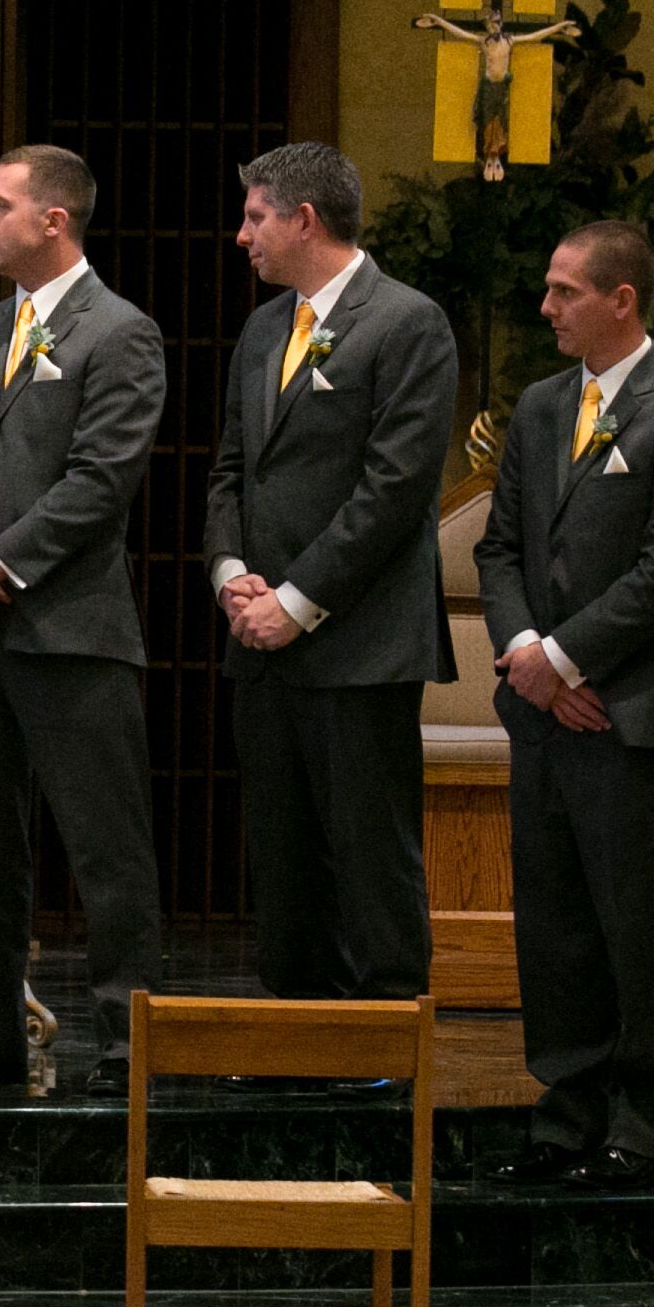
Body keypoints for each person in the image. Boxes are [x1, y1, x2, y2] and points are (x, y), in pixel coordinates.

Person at [0, 144, 165, 1100]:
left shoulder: (119, 334)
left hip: (70, 631)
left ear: (54, 221)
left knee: (106, 847)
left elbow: (100, 482)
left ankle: (128, 1046)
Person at [478, 220, 654, 1192]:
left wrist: (569, 660)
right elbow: (500, 549)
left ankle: (647, 1123)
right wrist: (527, 659)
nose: (545, 307)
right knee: (554, 924)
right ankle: (566, 1114)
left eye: (564, 292)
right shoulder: (542, 407)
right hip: (544, 714)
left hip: (634, 717)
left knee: (638, 925)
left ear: (622, 301)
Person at [204, 141, 461, 1008]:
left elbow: (394, 490)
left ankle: (384, 1057)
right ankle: (297, 1042)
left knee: (368, 856)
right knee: (282, 861)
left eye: (255, 217)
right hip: (262, 642)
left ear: (304, 219)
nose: (243, 236)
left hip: (360, 642)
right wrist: (233, 574)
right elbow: (232, 470)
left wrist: (297, 602)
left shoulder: (407, 321)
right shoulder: (264, 327)